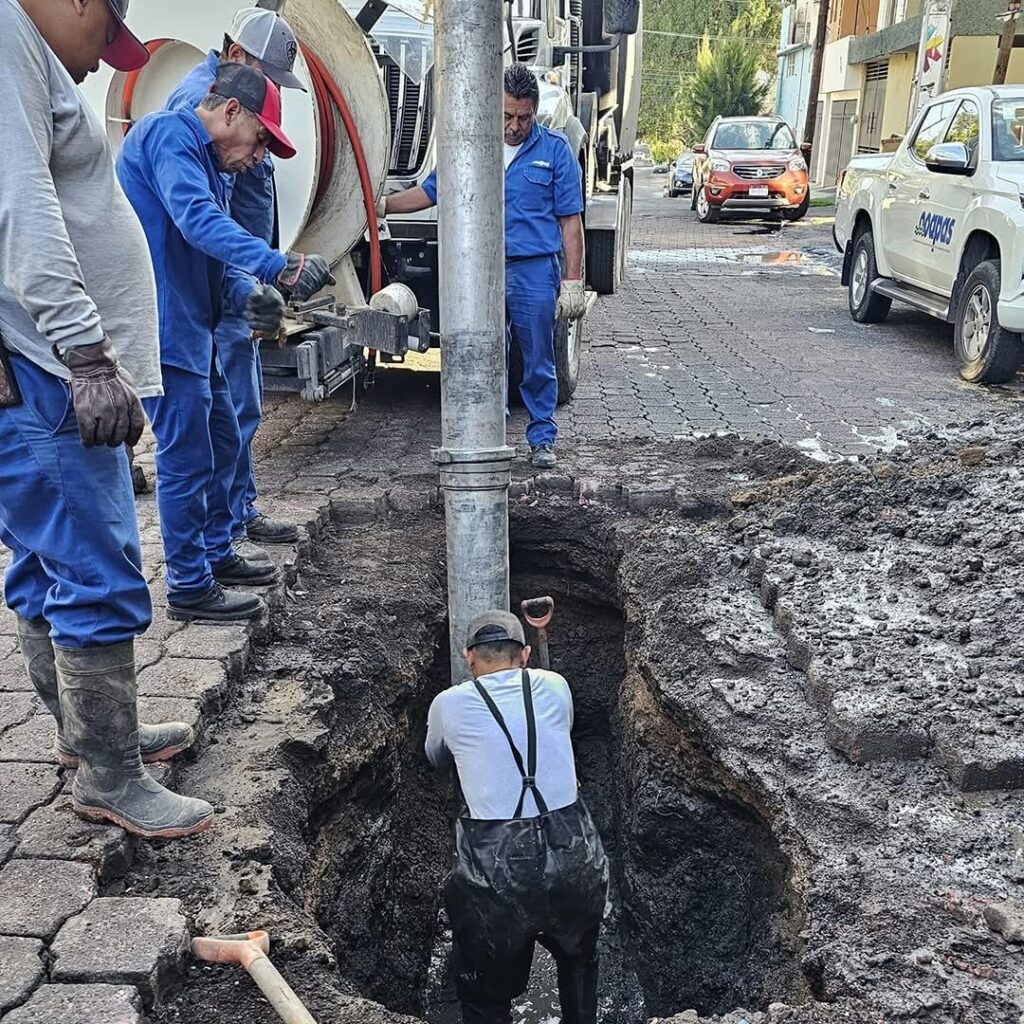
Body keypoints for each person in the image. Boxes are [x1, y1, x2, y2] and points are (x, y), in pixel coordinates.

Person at [0, 0, 213, 839]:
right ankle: (110, 775)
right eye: (103, 40)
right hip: (50, 371)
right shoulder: (8, 38)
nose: (98, 65)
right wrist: (87, 356)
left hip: (34, 366)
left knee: (48, 558)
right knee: (95, 566)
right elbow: (23, 208)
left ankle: (89, 738)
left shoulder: (25, 51)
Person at [117, 61, 335, 623]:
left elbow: (210, 249)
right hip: (165, 328)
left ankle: (215, 553)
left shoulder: (210, 166)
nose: (260, 156)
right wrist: (277, 266)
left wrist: (252, 291)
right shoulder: (169, 135)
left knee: (216, 439)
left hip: (193, 328)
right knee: (185, 457)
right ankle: (189, 585)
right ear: (230, 110)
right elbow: (195, 223)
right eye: (261, 141)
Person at [382, 63, 587, 469]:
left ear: (535, 111)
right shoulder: (472, 149)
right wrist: (381, 204)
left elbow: (570, 221)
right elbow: (429, 192)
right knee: (489, 354)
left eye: (524, 118)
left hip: (533, 270)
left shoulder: (554, 150)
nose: (514, 126)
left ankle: (542, 437)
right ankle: (493, 435)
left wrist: (573, 281)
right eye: (507, 116)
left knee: (537, 357)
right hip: (481, 270)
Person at [164, 7, 306, 549]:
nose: (272, 89)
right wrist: (264, 275)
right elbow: (203, 220)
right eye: (267, 75)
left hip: (241, 278)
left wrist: (262, 292)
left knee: (240, 403)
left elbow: (247, 207)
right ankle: (217, 531)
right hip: (215, 286)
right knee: (225, 411)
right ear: (238, 56)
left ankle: (236, 512)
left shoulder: (243, 106)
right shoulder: (192, 110)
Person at [425, 611, 608, 1024]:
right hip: (573, 856)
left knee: (484, 995)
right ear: (524, 654)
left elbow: (434, 758)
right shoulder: (556, 685)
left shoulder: (448, 704)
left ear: (469, 658)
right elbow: (563, 728)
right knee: (579, 962)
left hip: (496, 874)